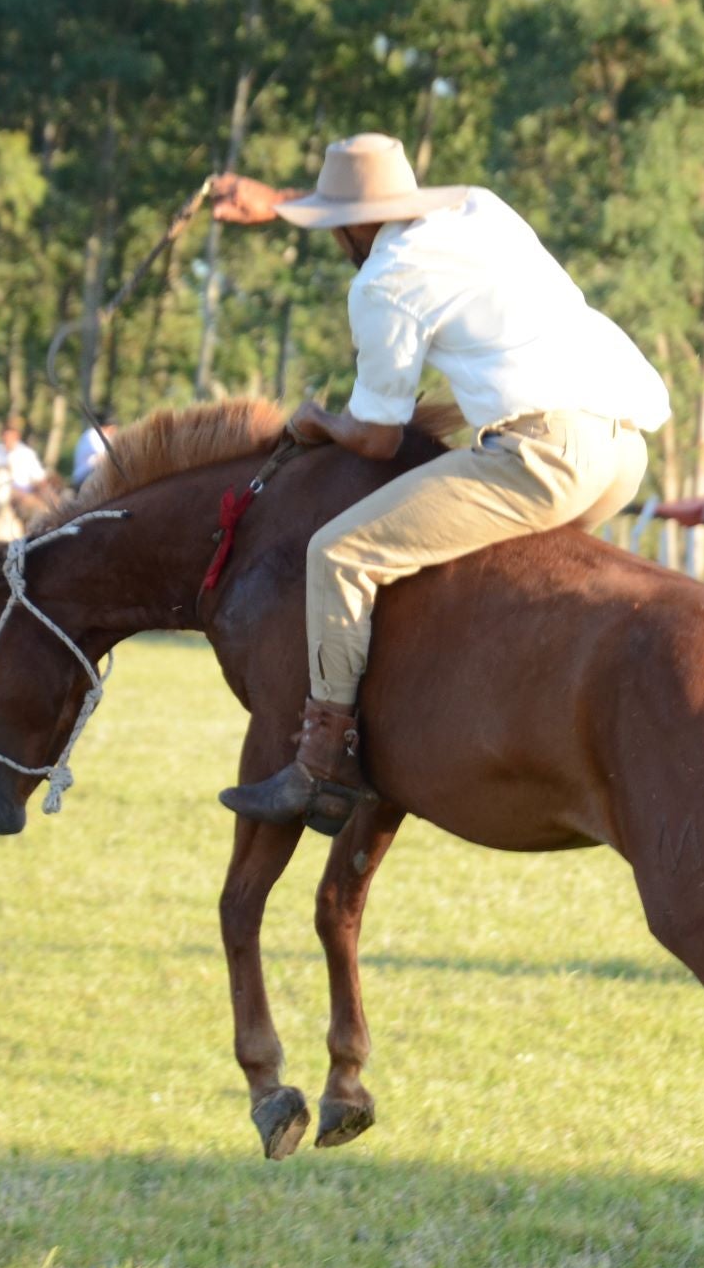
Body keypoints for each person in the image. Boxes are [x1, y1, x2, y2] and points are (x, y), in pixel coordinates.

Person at [207, 134, 668, 830]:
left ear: (352, 225)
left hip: (544, 454)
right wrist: (275, 201)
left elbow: (377, 436)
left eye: (334, 225)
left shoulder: (383, 282)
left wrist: (319, 422)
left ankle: (324, 762)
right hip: (622, 454)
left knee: (339, 553)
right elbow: (364, 207)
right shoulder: (479, 208)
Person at [0, 415, 48, 494]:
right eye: (5, 434)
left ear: (17, 435)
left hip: (20, 491)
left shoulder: (27, 453)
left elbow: (39, 476)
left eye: (11, 434)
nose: (8, 438)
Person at [73, 406, 117, 485]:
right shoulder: (92, 435)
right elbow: (104, 456)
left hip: (94, 473)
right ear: (109, 427)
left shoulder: (106, 437)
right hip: (85, 476)